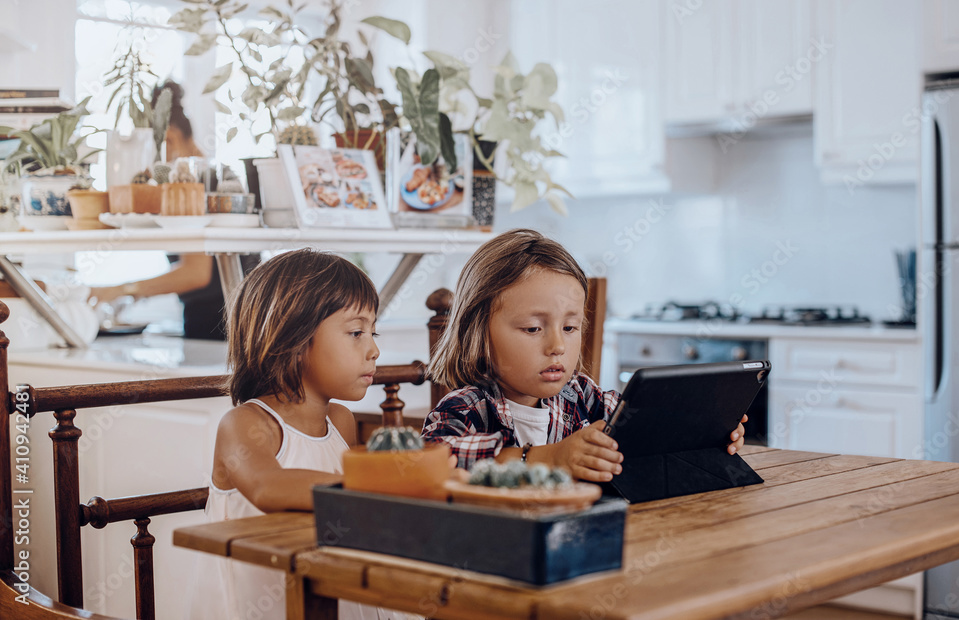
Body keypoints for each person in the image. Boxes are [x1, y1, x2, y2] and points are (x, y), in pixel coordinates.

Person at [187, 248, 413, 620]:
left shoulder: (340, 420)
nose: (374, 349)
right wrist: (375, 486)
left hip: (325, 588)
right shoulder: (248, 424)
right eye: (356, 332)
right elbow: (268, 487)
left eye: (373, 332)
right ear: (291, 338)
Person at [422, 228, 748, 482]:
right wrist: (551, 458)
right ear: (478, 330)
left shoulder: (580, 397)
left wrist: (706, 430)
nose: (557, 346)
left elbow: (646, 422)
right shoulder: (465, 407)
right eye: (533, 329)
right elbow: (433, 459)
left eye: (570, 328)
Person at [90, 81, 256, 340]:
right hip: (223, 319)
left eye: (162, 144)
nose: (156, 158)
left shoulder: (197, 181)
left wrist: (122, 289)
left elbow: (196, 274)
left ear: (179, 138)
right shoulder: (212, 176)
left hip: (221, 324)